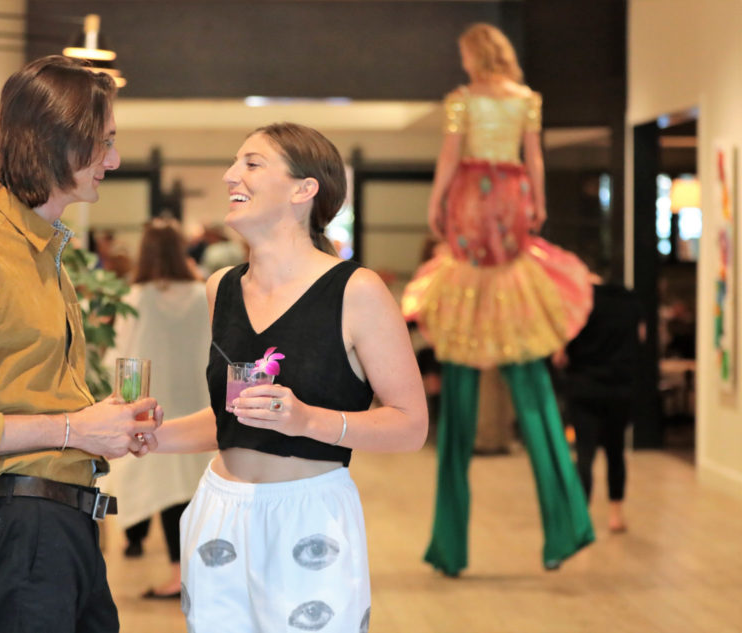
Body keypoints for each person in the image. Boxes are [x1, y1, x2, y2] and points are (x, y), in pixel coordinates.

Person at [0, 55, 163, 633]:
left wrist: (102, 426)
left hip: (65, 523)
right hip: (22, 526)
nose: (113, 161)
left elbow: (36, 395)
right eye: (103, 142)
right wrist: (73, 430)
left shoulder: (44, 254)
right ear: (55, 141)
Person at [138, 122, 428, 632]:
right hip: (218, 512)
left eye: (251, 164)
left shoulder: (356, 291)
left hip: (310, 518)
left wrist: (308, 419)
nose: (231, 175)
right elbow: (231, 421)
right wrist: (147, 436)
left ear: (304, 189)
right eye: (235, 163)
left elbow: (410, 425)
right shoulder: (219, 289)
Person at [401, 23, 595, 577]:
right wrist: (535, 210)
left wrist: (437, 207)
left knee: (459, 392)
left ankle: (449, 548)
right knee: (532, 393)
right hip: (509, 210)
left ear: (473, 55)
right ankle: (566, 529)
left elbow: (449, 158)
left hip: (470, 210)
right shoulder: (526, 100)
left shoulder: (462, 101)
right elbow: (533, 160)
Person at [104, 217, 214, 600]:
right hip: (200, 403)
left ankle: (175, 573)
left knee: (159, 486)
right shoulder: (204, 293)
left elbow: (120, 357)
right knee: (194, 490)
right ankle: (194, 571)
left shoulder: (136, 298)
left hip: (155, 408)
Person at [553, 274, 643, 533]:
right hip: (620, 389)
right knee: (616, 452)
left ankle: (582, 517)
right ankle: (616, 515)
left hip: (584, 388)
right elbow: (641, 338)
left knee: (585, 454)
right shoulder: (630, 301)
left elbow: (560, 356)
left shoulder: (580, 304)